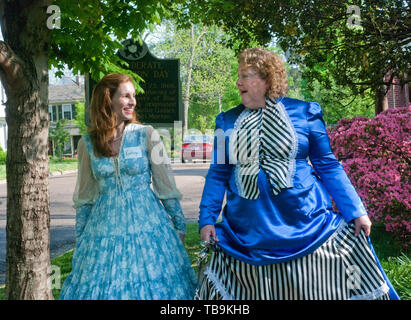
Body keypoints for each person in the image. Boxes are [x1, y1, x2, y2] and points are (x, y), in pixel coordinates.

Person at [197, 48, 399, 300]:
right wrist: (207, 219)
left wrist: (356, 211)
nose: (238, 82)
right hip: (247, 232)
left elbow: (327, 164)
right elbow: (217, 174)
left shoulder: (305, 113)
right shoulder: (226, 121)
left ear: (267, 79)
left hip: (307, 225)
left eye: (245, 76)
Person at [59, 73, 197, 300]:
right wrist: (81, 239)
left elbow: (165, 186)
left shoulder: (147, 135)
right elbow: (85, 197)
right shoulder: (87, 144)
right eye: (125, 96)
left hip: (148, 226)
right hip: (103, 229)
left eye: (133, 96)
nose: (133, 101)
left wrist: (180, 226)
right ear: (107, 100)